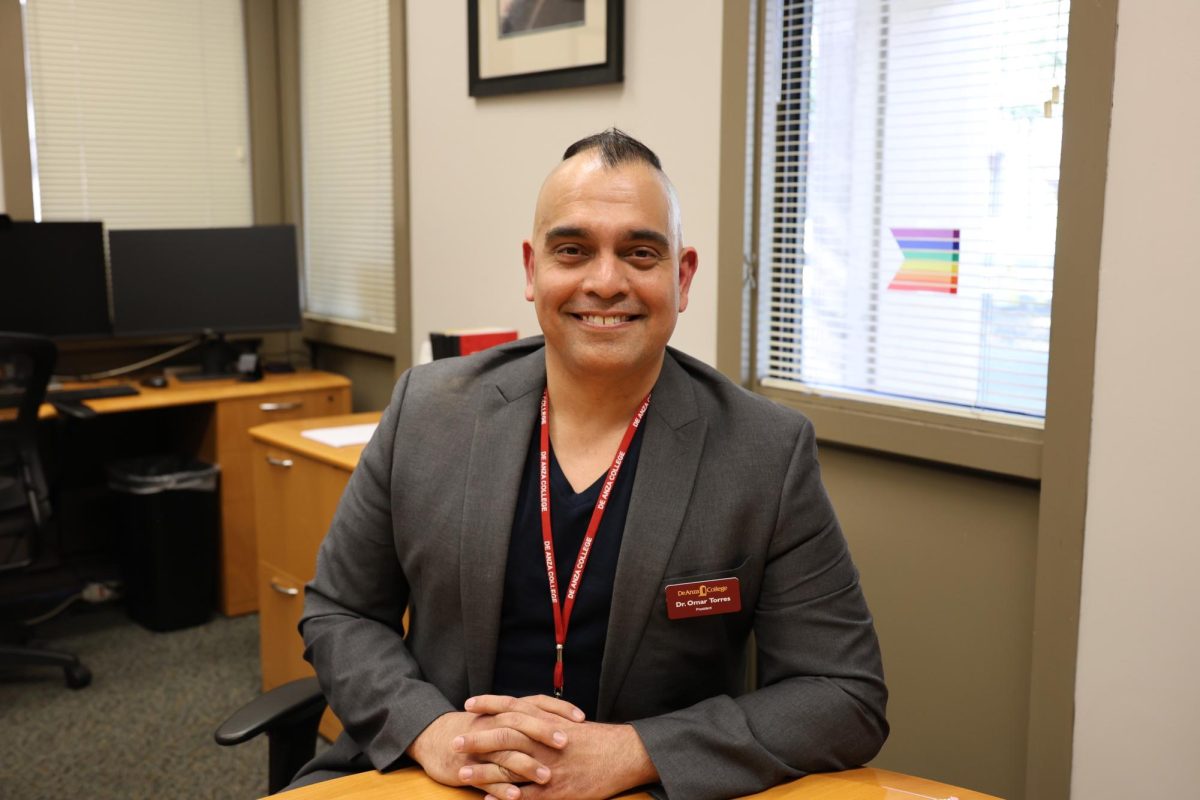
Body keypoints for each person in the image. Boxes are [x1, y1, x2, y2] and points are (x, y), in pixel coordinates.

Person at [292, 129, 887, 800]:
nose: (606, 283)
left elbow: (844, 694)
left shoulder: (764, 452)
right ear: (532, 269)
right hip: (431, 780)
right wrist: (435, 731)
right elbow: (340, 612)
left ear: (682, 277)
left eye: (639, 253)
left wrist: (633, 752)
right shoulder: (426, 411)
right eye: (573, 250)